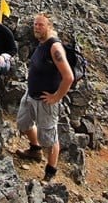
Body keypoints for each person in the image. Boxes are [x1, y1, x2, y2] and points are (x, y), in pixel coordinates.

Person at [15, 13, 74, 181]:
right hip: (30, 95)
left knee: (49, 138)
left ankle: (50, 172)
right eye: (35, 24)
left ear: (49, 26)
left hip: (45, 102)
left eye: (41, 25)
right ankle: (35, 150)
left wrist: (56, 97)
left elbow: (68, 76)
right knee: (23, 123)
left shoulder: (54, 48)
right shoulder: (41, 43)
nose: (36, 27)